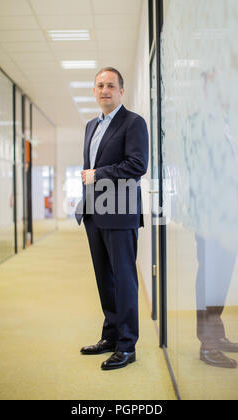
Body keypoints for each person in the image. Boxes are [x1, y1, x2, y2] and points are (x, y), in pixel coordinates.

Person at [75, 67, 149, 371]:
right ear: (94, 91)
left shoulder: (134, 123)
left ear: (121, 91)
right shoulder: (91, 125)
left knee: (125, 281)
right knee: (105, 280)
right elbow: (88, 166)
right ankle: (111, 335)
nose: (105, 90)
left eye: (111, 85)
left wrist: (98, 175)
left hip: (120, 214)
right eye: (100, 85)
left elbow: (137, 165)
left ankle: (127, 345)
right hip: (95, 213)